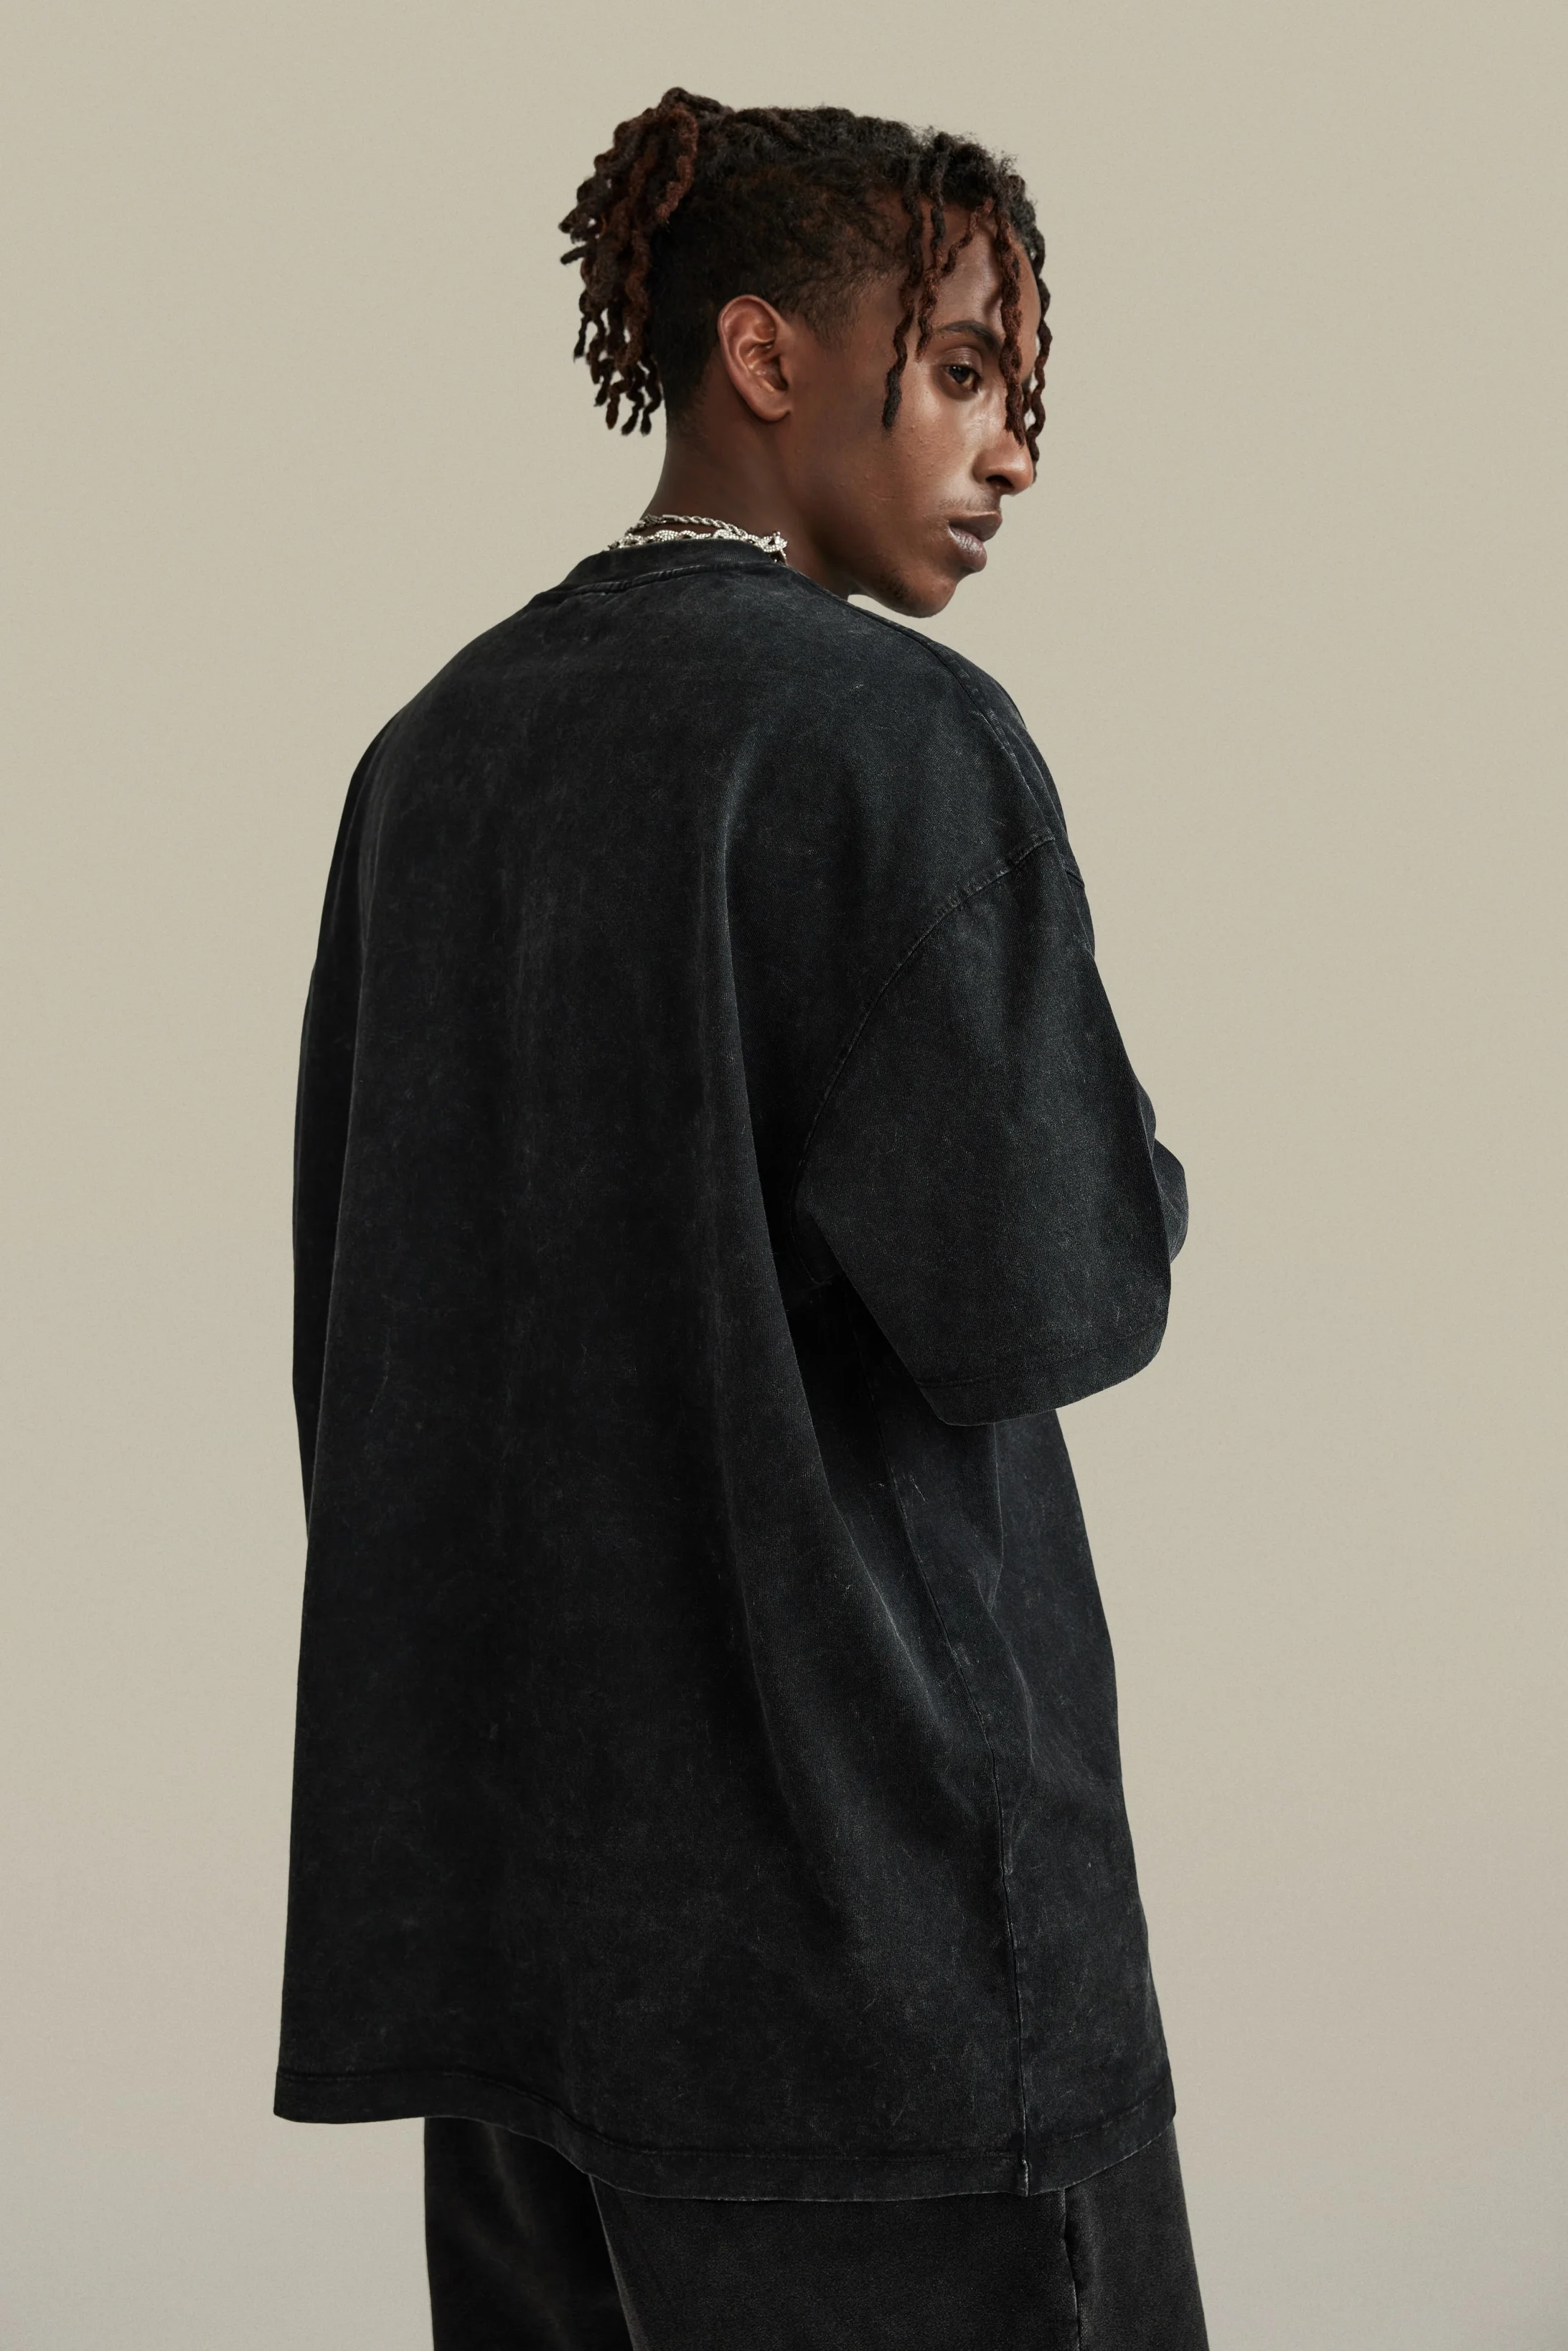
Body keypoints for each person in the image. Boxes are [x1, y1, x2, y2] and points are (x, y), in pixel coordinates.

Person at [276, 89, 1207, 2350]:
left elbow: (358, 1348)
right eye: (963, 367)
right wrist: (1141, 1167)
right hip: (882, 1983)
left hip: (522, 1982)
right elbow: (1051, 1294)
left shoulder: (429, 760)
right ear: (768, 354)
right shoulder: (896, 741)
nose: (1012, 448)